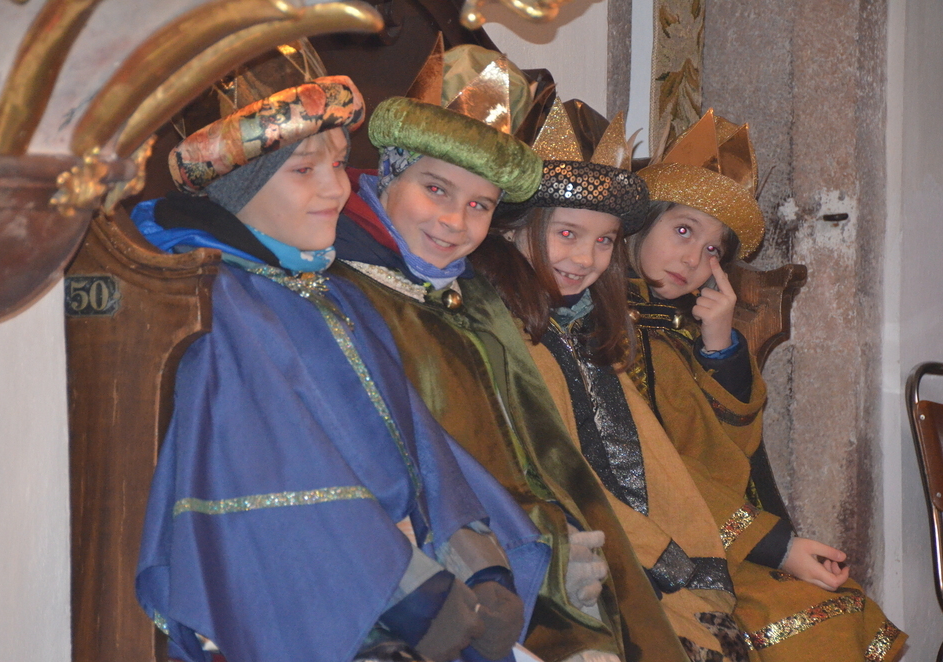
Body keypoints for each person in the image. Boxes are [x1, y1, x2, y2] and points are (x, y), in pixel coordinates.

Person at [131, 73, 547, 662]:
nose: (337, 188)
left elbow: (426, 448)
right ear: (236, 188)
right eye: (304, 170)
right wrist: (414, 597)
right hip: (334, 611)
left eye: (339, 164)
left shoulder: (335, 295)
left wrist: (481, 564)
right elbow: (273, 486)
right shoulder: (219, 305)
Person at [333, 44, 690, 662]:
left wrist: (563, 547)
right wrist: (540, 558)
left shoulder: (471, 296)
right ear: (391, 173)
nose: (455, 222)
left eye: (480, 205)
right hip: (420, 575)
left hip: (531, 559)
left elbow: (537, 455)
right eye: (436, 189)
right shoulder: (339, 290)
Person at [623, 109, 906, 661]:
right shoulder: (611, 329)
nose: (694, 259)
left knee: (843, 608)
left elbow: (730, 453)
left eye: (713, 250)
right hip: (661, 538)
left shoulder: (676, 333)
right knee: (814, 625)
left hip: (715, 529)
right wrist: (776, 547)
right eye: (683, 230)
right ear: (640, 224)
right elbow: (651, 468)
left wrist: (720, 347)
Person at [473, 99, 750, 662]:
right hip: (555, 550)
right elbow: (549, 467)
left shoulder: (589, 325)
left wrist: (721, 350)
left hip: (642, 539)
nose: (586, 258)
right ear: (512, 229)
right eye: (568, 233)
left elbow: (683, 461)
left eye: (603, 241)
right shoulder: (508, 327)